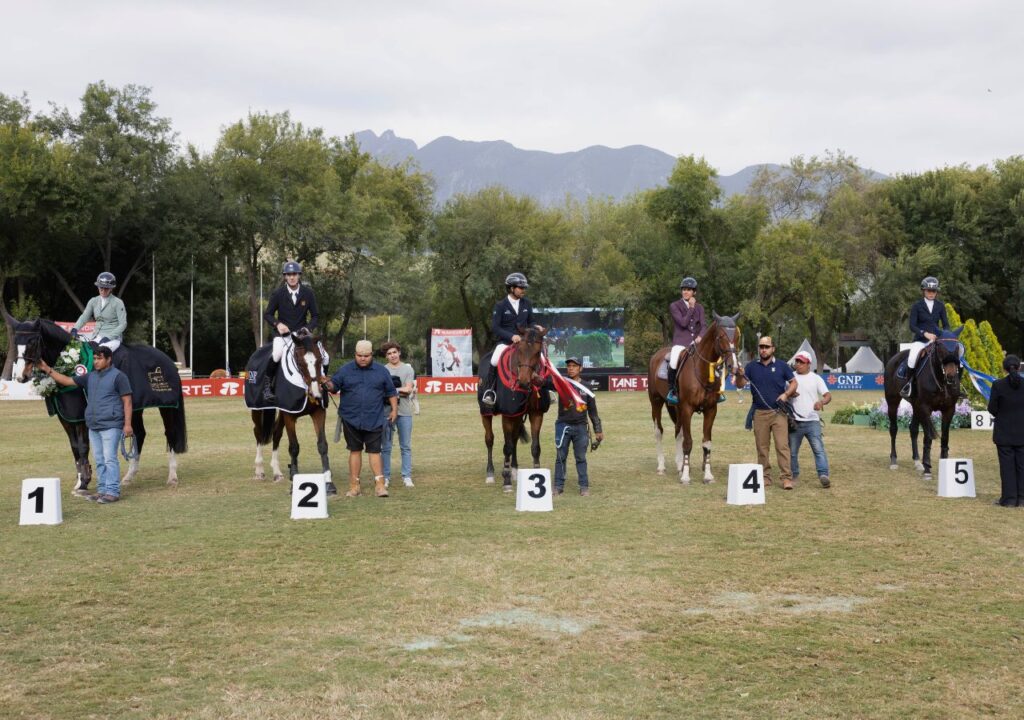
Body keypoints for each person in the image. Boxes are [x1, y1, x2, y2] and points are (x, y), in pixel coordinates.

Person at [38, 345, 133, 504]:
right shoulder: (90, 376)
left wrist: (128, 425)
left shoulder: (119, 377)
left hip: (111, 425)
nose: (96, 362)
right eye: (94, 358)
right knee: (99, 460)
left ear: (109, 359)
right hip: (94, 426)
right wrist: (47, 369)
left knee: (110, 459)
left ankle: (112, 492)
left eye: (99, 359)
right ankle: (102, 490)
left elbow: (127, 401)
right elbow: (67, 381)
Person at [324, 340, 398, 498]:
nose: (363, 358)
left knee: (375, 451)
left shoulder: (381, 371)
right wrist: (326, 384)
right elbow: (333, 386)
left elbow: (391, 392)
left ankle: (380, 486)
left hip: (375, 418)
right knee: (355, 450)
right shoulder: (345, 370)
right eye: (359, 355)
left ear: (372, 355)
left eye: (366, 356)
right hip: (350, 419)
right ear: (355, 354)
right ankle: (354, 486)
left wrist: (394, 410)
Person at [481, 272, 544, 407]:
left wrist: (536, 326)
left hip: (525, 343)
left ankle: (545, 390)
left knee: (542, 357)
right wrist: (511, 336)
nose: (523, 290)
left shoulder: (527, 303)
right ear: (511, 288)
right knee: (494, 360)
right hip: (506, 342)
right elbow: (495, 327)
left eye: (524, 288)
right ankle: (490, 391)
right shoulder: (500, 305)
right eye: (521, 288)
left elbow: (531, 322)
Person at [744, 336, 798, 489]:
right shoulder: (751, 366)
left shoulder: (782, 365)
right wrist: (738, 374)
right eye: (761, 346)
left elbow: (794, 383)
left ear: (773, 349)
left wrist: (786, 394)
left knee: (782, 446)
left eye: (767, 347)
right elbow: (741, 383)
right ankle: (764, 477)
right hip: (759, 413)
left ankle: (786, 478)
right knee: (762, 447)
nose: (763, 349)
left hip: (779, 412)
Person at [262, 261, 320, 401]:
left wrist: (308, 328)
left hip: (302, 335)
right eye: (289, 275)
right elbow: (268, 314)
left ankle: (322, 383)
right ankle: (267, 388)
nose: (292, 277)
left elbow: (315, 316)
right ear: (285, 276)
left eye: (294, 274)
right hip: (283, 335)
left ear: (299, 275)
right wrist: (278, 324)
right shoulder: (278, 293)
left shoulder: (308, 293)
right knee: (277, 354)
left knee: (323, 355)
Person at [552, 357, 604, 496]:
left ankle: (584, 486)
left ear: (580, 368)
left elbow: (592, 411)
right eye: (569, 366)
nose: (571, 368)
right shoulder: (561, 382)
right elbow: (543, 382)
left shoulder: (587, 386)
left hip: (581, 427)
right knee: (560, 457)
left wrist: (598, 429)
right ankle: (558, 486)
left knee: (581, 458)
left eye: (574, 366)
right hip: (563, 426)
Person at [898, 276, 950, 398]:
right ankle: (909, 385)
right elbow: (912, 326)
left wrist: (944, 335)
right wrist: (924, 333)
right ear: (923, 291)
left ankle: (954, 386)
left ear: (936, 292)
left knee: (952, 358)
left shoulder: (940, 306)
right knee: (912, 358)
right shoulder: (917, 306)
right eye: (929, 291)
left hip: (936, 340)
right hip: (921, 340)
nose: (931, 293)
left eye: (934, 291)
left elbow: (946, 325)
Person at [788, 350, 832, 489]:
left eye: (801, 362)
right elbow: (783, 393)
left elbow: (828, 395)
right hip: (794, 421)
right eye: (797, 361)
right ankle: (794, 475)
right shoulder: (790, 377)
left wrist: (821, 402)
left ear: (808, 364)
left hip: (812, 421)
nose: (798, 364)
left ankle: (823, 475)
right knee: (792, 452)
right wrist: (789, 394)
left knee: (818, 450)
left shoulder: (816, 378)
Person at [987, 354, 1024, 507]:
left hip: (1004, 432)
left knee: (1007, 467)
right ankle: (1022, 499)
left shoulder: (998, 385)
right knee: (1022, 466)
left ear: (1004, 369)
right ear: (1019, 367)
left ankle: (1009, 499)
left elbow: (992, 408)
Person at [380, 341, 415, 489]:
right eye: (389, 353)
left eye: (394, 352)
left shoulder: (407, 369)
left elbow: (408, 389)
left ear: (399, 352)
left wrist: (392, 390)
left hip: (405, 411)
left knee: (405, 446)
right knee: (386, 447)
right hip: (387, 412)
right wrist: (400, 390)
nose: (392, 355)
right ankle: (385, 477)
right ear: (386, 356)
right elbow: (380, 391)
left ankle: (406, 476)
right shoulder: (382, 370)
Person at [667, 276, 705, 405]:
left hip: (696, 342)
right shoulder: (674, 306)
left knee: (711, 359)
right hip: (681, 343)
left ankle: (716, 390)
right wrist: (691, 307)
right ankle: (672, 391)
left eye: (689, 289)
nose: (685, 292)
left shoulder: (700, 308)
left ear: (694, 292)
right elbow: (683, 323)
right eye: (684, 289)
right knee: (673, 361)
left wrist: (701, 336)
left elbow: (704, 325)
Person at [73, 272, 127, 353]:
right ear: (98, 287)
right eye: (101, 288)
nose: (103, 290)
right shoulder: (93, 301)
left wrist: (108, 337)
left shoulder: (118, 303)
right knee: (83, 351)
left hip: (113, 338)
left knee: (100, 353)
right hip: (97, 336)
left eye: (106, 288)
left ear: (111, 289)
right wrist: (75, 329)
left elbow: (123, 324)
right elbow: (84, 317)